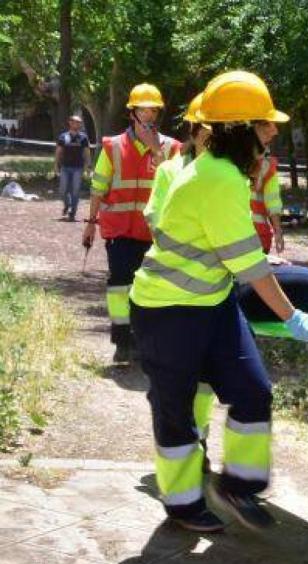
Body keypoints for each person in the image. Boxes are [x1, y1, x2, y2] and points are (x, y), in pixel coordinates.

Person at [129, 70, 308, 533]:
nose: (273, 130)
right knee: (175, 412)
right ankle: (182, 504)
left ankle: (238, 485)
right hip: (167, 311)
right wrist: (292, 315)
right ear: (237, 129)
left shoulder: (226, 173)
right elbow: (251, 267)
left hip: (211, 304)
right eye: (264, 122)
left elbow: (242, 266)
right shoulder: (218, 178)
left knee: (253, 390)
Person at [83, 83, 181, 364]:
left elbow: (176, 185)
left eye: (153, 110)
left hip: (154, 234)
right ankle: (121, 339)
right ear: (132, 114)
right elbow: (98, 188)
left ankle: (142, 340)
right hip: (119, 232)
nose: (149, 115)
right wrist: (90, 223)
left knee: (149, 289)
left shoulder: (171, 148)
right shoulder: (113, 146)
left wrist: (155, 151)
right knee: (119, 285)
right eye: (143, 109)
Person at [55, 115, 93, 222]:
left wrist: (88, 165)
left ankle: (73, 213)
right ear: (70, 123)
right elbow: (58, 152)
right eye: (75, 122)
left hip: (78, 167)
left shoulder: (83, 137)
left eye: (79, 122)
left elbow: (86, 152)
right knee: (62, 190)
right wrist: (56, 165)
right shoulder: (63, 137)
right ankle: (67, 205)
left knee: (75, 191)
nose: (77, 124)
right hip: (65, 167)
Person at [251, 153, 286, 254]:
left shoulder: (225, 164)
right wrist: (278, 232)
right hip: (259, 237)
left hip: (232, 237)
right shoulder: (266, 168)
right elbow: (273, 203)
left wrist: (278, 231)